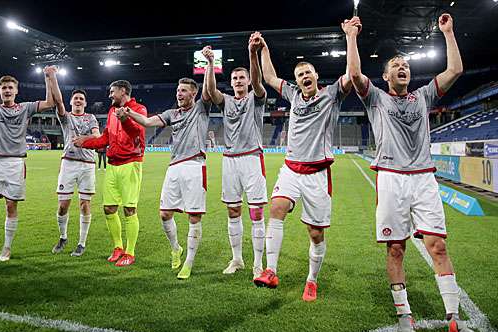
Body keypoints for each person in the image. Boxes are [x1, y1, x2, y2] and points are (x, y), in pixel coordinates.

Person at [344, 14, 475, 332]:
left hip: (423, 178)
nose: (403, 68)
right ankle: (404, 314)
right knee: (396, 248)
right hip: (391, 177)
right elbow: (355, 74)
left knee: (438, 246)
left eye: (406, 65)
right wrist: (351, 37)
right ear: (386, 76)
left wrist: (448, 32)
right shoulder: (376, 98)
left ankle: (454, 317)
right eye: (396, 66)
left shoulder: (424, 96)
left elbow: (456, 70)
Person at [252, 32, 352, 303]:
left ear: (316, 75)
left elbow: (352, 75)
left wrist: (351, 38)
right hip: (291, 169)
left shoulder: (332, 95)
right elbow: (270, 77)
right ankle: (270, 270)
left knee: (316, 233)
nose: (304, 77)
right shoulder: (294, 95)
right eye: (299, 75)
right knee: (276, 208)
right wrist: (264, 49)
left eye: (308, 72)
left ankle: (312, 280)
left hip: (317, 174)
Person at [119, 77, 211, 279]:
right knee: (164, 214)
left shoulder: (201, 108)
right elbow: (147, 121)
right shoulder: (171, 114)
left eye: (184, 90)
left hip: (195, 165)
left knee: (194, 216)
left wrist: (210, 64)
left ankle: (188, 262)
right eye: (178, 90)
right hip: (174, 167)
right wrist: (129, 112)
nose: (179, 93)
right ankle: (176, 248)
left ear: (193, 94)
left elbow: (209, 89)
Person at [0, 64, 56, 262]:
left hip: (16, 164)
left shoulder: (26, 108)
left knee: (10, 206)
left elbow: (50, 102)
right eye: (3, 87)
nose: (7, 90)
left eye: (10, 87)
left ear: (16, 91)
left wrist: (48, 78)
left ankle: (6, 248)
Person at [201, 36, 267, 280]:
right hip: (229, 160)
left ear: (248, 81)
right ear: (230, 82)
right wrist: (209, 63)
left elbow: (259, 81)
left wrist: (252, 53)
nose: (238, 81)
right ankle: (237, 258)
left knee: (257, 212)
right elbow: (209, 91)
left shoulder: (256, 98)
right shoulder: (225, 101)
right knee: (233, 211)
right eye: (235, 78)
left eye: (242, 78)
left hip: (251, 159)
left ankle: (258, 264)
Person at [73, 80, 147, 267]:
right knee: (109, 208)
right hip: (112, 165)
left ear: (123, 91)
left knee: (129, 209)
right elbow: (106, 137)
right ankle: (118, 248)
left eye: (112, 92)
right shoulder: (112, 111)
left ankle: (130, 252)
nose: (109, 95)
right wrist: (86, 142)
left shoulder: (139, 109)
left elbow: (136, 133)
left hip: (130, 163)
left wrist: (125, 118)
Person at [49, 72, 100, 257]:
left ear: (85, 103)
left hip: (87, 164)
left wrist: (84, 139)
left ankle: (82, 242)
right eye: (76, 98)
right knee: (63, 205)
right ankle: (63, 237)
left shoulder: (91, 118)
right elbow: (58, 101)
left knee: (85, 204)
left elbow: (97, 136)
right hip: (69, 164)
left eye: (81, 99)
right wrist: (52, 78)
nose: (78, 101)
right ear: (71, 102)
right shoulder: (66, 117)